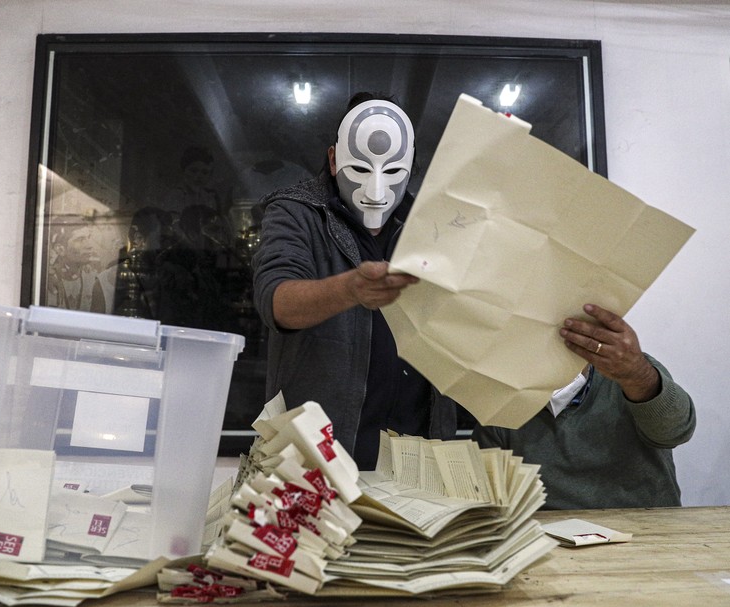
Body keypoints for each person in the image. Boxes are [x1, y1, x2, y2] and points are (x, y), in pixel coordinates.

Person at [251, 93, 460, 470]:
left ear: (411, 166)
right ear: (333, 159)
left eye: (394, 172)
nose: (377, 192)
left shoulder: (431, 224)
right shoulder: (297, 213)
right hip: (318, 463)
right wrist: (350, 289)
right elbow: (276, 300)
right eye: (360, 170)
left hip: (417, 457)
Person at [472, 303, 696, 510]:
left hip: (646, 529)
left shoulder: (624, 371)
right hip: (551, 538)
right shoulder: (503, 398)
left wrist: (637, 374)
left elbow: (676, 432)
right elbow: (491, 501)